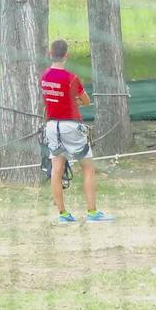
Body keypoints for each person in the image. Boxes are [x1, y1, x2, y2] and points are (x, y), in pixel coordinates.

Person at [40, 39, 112, 223]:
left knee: (56, 170)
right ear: (66, 55)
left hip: (52, 126)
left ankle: (63, 214)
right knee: (88, 168)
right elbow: (85, 100)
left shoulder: (44, 76)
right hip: (70, 126)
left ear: (50, 54)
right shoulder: (71, 78)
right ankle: (92, 212)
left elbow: (49, 100)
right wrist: (75, 102)